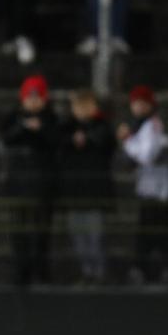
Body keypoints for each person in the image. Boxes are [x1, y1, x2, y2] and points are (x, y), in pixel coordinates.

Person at [116, 85, 168, 284]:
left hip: (158, 190)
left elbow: (146, 155)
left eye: (143, 103)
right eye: (136, 103)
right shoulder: (139, 125)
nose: (139, 107)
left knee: (158, 230)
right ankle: (148, 268)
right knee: (147, 229)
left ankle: (163, 269)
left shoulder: (152, 125)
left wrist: (127, 142)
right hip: (147, 188)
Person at [1, 74, 58, 285]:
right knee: (18, 231)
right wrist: (24, 128)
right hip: (18, 185)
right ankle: (20, 273)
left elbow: (55, 141)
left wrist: (40, 129)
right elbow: (6, 138)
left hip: (42, 186)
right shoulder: (13, 118)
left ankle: (41, 273)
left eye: (38, 97)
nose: (33, 101)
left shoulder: (51, 119)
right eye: (30, 96)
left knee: (41, 232)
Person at [57, 89, 114, 284]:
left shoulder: (102, 126)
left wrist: (87, 139)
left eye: (85, 105)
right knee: (78, 237)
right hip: (74, 193)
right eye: (78, 106)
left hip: (95, 193)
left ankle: (99, 273)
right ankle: (87, 272)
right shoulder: (66, 127)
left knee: (95, 236)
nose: (81, 110)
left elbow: (106, 142)